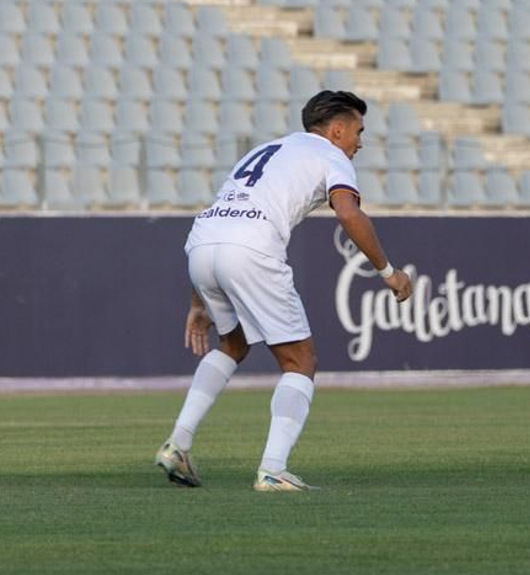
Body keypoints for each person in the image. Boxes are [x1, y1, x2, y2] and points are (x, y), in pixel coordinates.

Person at [155, 90, 414, 491]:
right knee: (300, 360)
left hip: (202, 247)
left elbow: (220, 215)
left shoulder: (265, 149)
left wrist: (198, 300)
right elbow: (348, 213)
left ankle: (178, 444)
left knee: (234, 345)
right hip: (251, 250)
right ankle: (273, 469)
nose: (359, 143)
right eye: (358, 132)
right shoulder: (331, 156)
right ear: (337, 129)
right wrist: (388, 272)